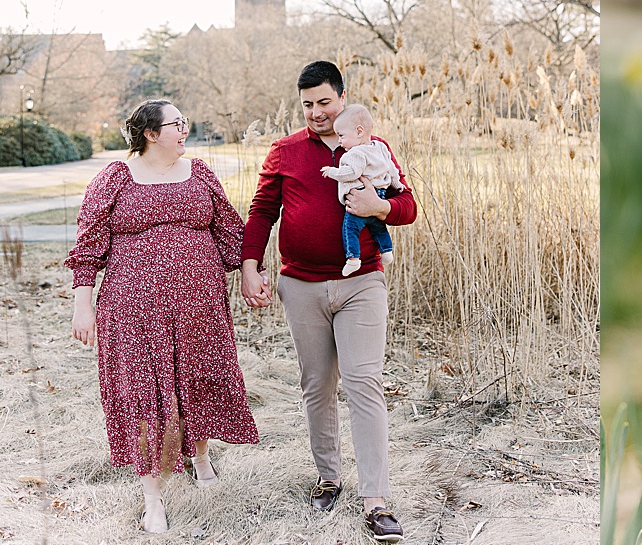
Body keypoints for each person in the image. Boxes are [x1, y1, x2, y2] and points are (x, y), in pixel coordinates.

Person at [240, 61, 415, 543]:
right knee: (317, 385)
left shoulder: (372, 147)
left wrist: (378, 207)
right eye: (307, 105)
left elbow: (408, 205)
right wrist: (249, 264)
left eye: (324, 102)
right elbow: (261, 212)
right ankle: (328, 477)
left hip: (362, 283)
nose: (317, 113)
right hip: (300, 285)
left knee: (364, 382)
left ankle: (376, 501)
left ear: (342, 98)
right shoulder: (286, 151)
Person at [67, 99, 258, 534]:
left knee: (199, 378)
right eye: (178, 124)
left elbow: (230, 229)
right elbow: (88, 244)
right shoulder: (114, 179)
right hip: (133, 310)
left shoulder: (201, 174)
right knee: (143, 394)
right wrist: (84, 302)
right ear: (151, 134)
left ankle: (201, 455)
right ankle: (153, 496)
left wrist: (251, 272)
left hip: (199, 306)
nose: (185, 130)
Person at [319, 103, 404, 276]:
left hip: (359, 198)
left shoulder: (355, 153)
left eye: (341, 136)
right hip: (379, 195)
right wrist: (397, 183)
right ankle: (387, 251)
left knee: (350, 228)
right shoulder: (380, 147)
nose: (340, 141)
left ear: (359, 132)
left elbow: (352, 173)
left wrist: (333, 171)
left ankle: (353, 258)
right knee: (378, 227)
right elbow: (391, 169)